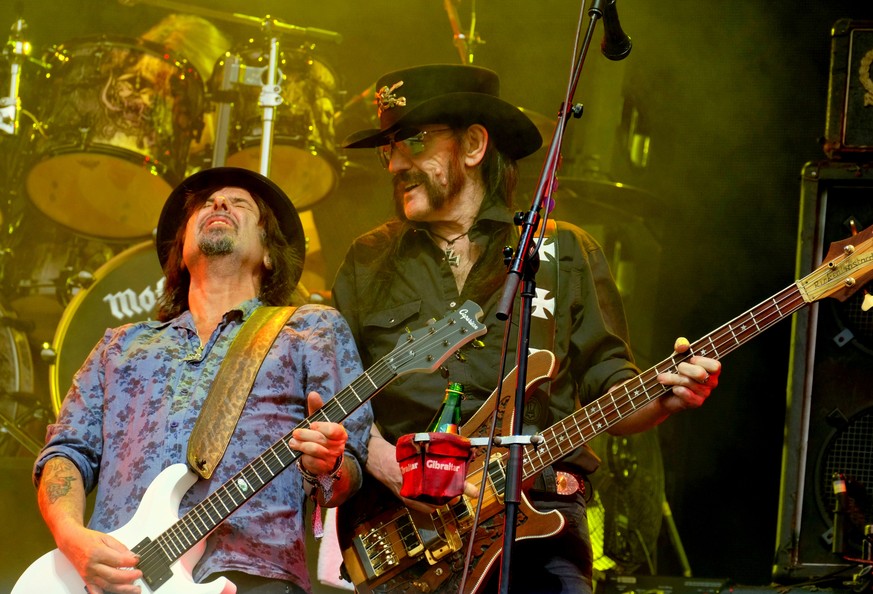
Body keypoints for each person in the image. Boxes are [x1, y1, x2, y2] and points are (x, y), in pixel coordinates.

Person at [333, 64, 721, 593]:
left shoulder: (564, 251)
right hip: (407, 538)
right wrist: (384, 462)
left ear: (473, 145)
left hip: (542, 523)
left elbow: (609, 386)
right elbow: (334, 393)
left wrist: (667, 396)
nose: (396, 163)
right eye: (388, 149)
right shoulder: (368, 258)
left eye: (415, 142)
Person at [32, 167, 372, 594]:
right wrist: (72, 538)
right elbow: (66, 451)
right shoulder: (120, 346)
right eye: (206, 204)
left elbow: (345, 473)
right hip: (117, 581)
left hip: (254, 576)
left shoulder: (310, 329)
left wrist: (328, 466)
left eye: (240, 203)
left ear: (269, 253)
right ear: (180, 253)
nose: (219, 204)